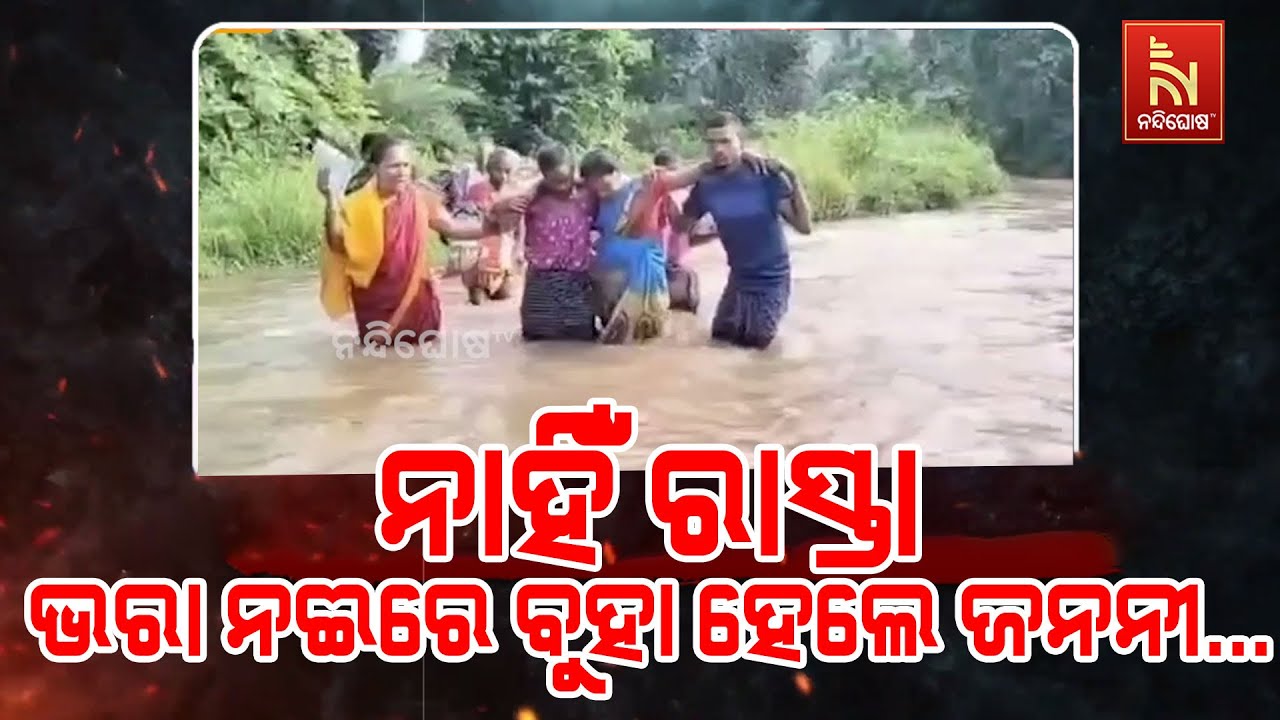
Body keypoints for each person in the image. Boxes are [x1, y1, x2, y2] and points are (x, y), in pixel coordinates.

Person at [318, 136, 498, 348]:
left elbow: (451, 228)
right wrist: (330, 198)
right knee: (377, 354)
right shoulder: (358, 205)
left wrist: (492, 227)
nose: (403, 171)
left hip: (416, 297)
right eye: (394, 166)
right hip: (375, 301)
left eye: (406, 165)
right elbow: (337, 244)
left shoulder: (419, 198)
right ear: (376, 168)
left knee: (422, 354)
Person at [675, 111, 812, 350]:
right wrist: (659, 193)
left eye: (725, 141)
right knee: (718, 342)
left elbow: (804, 227)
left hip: (772, 281)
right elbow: (681, 228)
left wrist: (793, 177)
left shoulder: (765, 176)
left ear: (741, 143)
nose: (718, 149)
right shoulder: (706, 185)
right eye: (711, 143)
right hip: (738, 278)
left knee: (756, 347)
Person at [500, 144, 598, 342]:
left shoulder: (589, 195)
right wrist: (508, 202)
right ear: (544, 175)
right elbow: (502, 223)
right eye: (555, 181)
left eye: (566, 179)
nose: (563, 186)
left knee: (581, 341)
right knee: (539, 342)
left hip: (578, 281)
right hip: (542, 282)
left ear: (574, 170)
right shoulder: (531, 199)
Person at [579, 149, 671, 343]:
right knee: (614, 342)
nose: (598, 189)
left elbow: (679, 182)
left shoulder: (641, 188)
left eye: (602, 182)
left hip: (640, 277)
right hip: (607, 281)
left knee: (645, 339)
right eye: (592, 184)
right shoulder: (594, 198)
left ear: (616, 172)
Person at [460, 147, 525, 305]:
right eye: (499, 170)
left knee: (506, 295)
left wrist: (519, 248)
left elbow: (522, 224)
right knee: (478, 299)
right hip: (480, 253)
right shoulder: (477, 190)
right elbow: (473, 221)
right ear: (490, 169)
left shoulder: (516, 192)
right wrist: (497, 209)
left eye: (508, 171)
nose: (503, 176)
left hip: (505, 253)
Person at [651, 149, 700, 313]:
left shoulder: (650, 194)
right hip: (680, 265)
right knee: (686, 312)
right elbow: (689, 228)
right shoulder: (682, 194)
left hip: (658, 264)